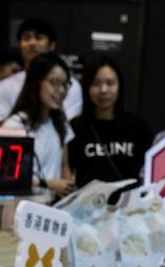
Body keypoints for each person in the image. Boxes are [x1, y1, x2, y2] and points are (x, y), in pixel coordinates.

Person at [66, 56, 154, 190]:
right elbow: (68, 170)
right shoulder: (76, 127)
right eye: (96, 83)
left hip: (129, 207)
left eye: (110, 83)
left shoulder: (137, 126)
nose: (103, 90)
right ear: (87, 88)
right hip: (89, 207)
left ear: (119, 86)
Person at [2, 53, 74, 195]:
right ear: (36, 82)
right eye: (54, 82)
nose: (61, 90)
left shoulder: (61, 124)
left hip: (52, 209)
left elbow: (64, 166)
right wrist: (47, 183)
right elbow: (6, 175)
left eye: (65, 84)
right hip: (21, 207)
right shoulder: (14, 126)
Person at [0, 18, 83, 122]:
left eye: (39, 38)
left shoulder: (70, 86)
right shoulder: (4, 86)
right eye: (26, 38)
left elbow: (68, 123)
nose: (32, 43)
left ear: (51, 45)